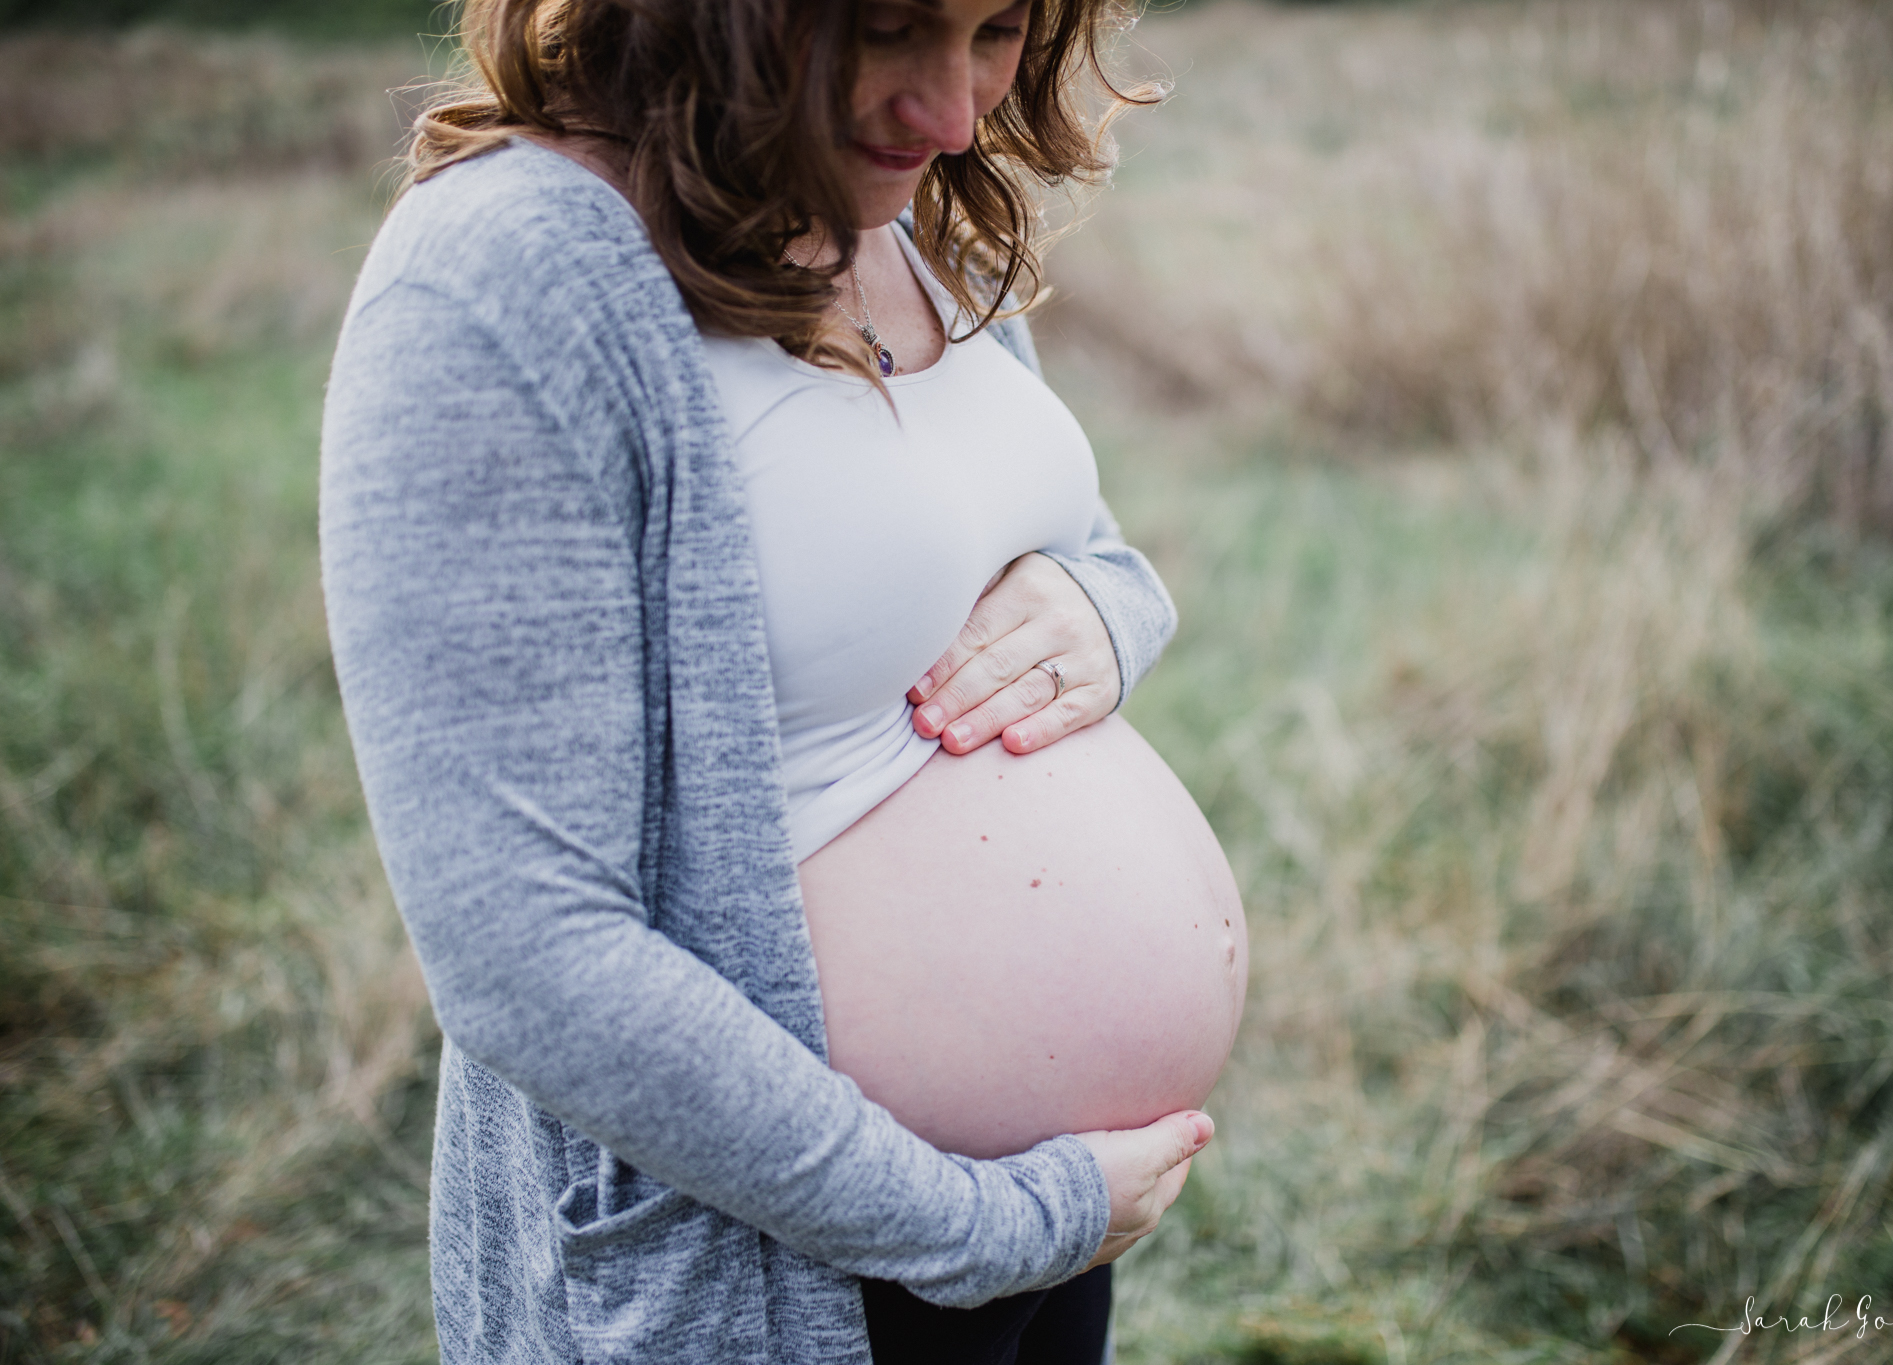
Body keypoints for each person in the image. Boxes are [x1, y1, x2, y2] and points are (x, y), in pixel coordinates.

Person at [319, 0, 1246, 1361]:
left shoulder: (894, 212)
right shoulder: (503, 276)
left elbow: (1053, 539)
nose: (953, 113)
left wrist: (1112, 607)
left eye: (994, 31)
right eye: (884, 27)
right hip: (781, 1271)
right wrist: (980, 1224)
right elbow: (528, 957)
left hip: (1030, 1237)